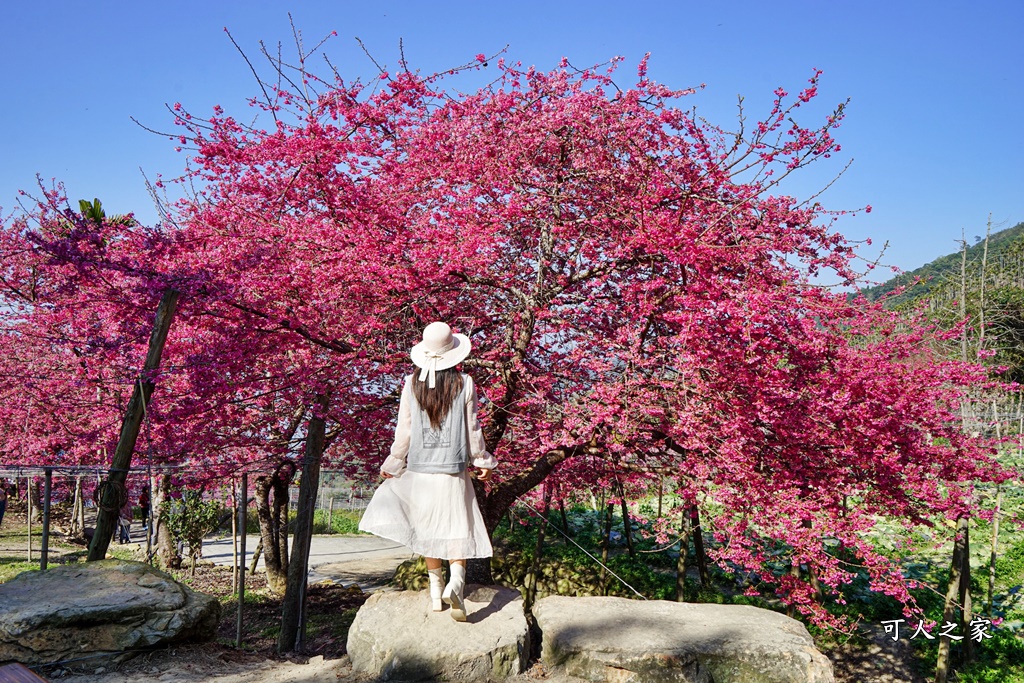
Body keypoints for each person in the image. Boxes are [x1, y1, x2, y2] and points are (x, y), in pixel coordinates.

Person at [359, 322, 497, 621]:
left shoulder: (412, 383)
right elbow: (473, 429)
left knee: (427, 530)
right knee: (457, 526)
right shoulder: (466, 383)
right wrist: (482, 460)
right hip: (453, 471)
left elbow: (405, 430)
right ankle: (456, 583)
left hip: (420, 470)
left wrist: (394, 463)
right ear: (453, 353)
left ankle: (436, 592)